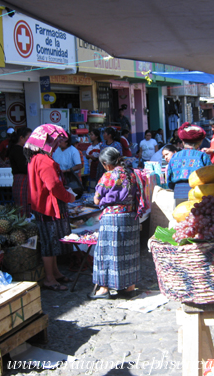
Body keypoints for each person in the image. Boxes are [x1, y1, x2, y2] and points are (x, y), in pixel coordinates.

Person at [24, 124, 76, 291]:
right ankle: (50, 279)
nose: (56, 146)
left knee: (51, 242)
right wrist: (69, 197)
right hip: (48, 207)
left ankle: (55, 273)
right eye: (55, 142)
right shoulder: (44, 161)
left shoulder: (35, 159)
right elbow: (53, 186)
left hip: (42, 205)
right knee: (49, 243)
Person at [88, 147, 141, 299]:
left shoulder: (108, 176)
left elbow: (97, 200)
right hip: (131, 217)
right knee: (129, 252)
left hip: (112, 219)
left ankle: (104, 289)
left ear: (106, 164)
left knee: (107, 253)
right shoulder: (132, 174)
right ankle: (129, 287)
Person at [166, 122, 212, 193]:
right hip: (198, 192)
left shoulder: (175, 156)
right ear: (199, 142)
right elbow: (211, 176)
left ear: (183, 142)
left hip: (178, 192)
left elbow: (169, 179)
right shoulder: (202, 156)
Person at [9, 127, 33, 216]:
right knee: (22, 204)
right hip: (22, 179)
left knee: (26, 202)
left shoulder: (22, 149)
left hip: (24, 179)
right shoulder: (17, 150)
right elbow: (23, 167)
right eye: (29, 137)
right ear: (21, 138)